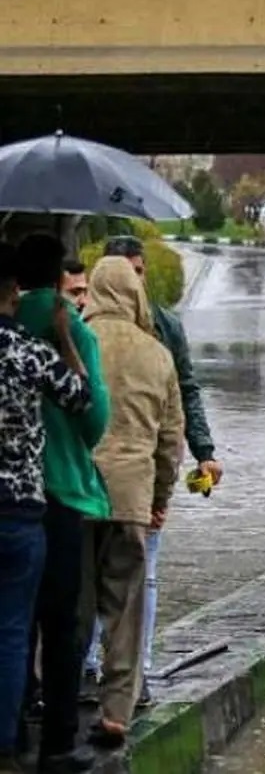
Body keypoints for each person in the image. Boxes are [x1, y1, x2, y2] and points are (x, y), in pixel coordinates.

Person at [92, 236, 220, 713]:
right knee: (116, 580)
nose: (137, 282)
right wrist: (162, 489)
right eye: (131, 273)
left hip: (117, 482)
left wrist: (203, 453)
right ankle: (110, 683)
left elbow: (185, 396)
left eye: (141, 271)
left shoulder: (164, 327)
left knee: (134, 579)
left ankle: (133, 670)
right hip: (135, 483)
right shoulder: (83, 330)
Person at [14, 233, 111, 774]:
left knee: (13, 620)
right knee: (63, 621)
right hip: (64, 487)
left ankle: (13, 722)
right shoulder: (69, 327)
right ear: (59, 278)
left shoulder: (6, 325)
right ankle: (58, 741)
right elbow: (93, 420)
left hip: (9, 494)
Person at [78, 257, 184, 749]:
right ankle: (117, 710)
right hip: (132, 499)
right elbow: (170, 438)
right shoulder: (157, 353)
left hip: (75, 495)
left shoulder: (75, 341)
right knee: (125, 608)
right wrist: (160, 498)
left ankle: (49, 699)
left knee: (68, 607)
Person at [0, 244, 93, 772]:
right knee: (16, 630)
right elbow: (82, 398)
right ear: (14, 291)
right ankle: (10, 740)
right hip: (18, 509)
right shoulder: (25, 351)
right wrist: (63, 336)